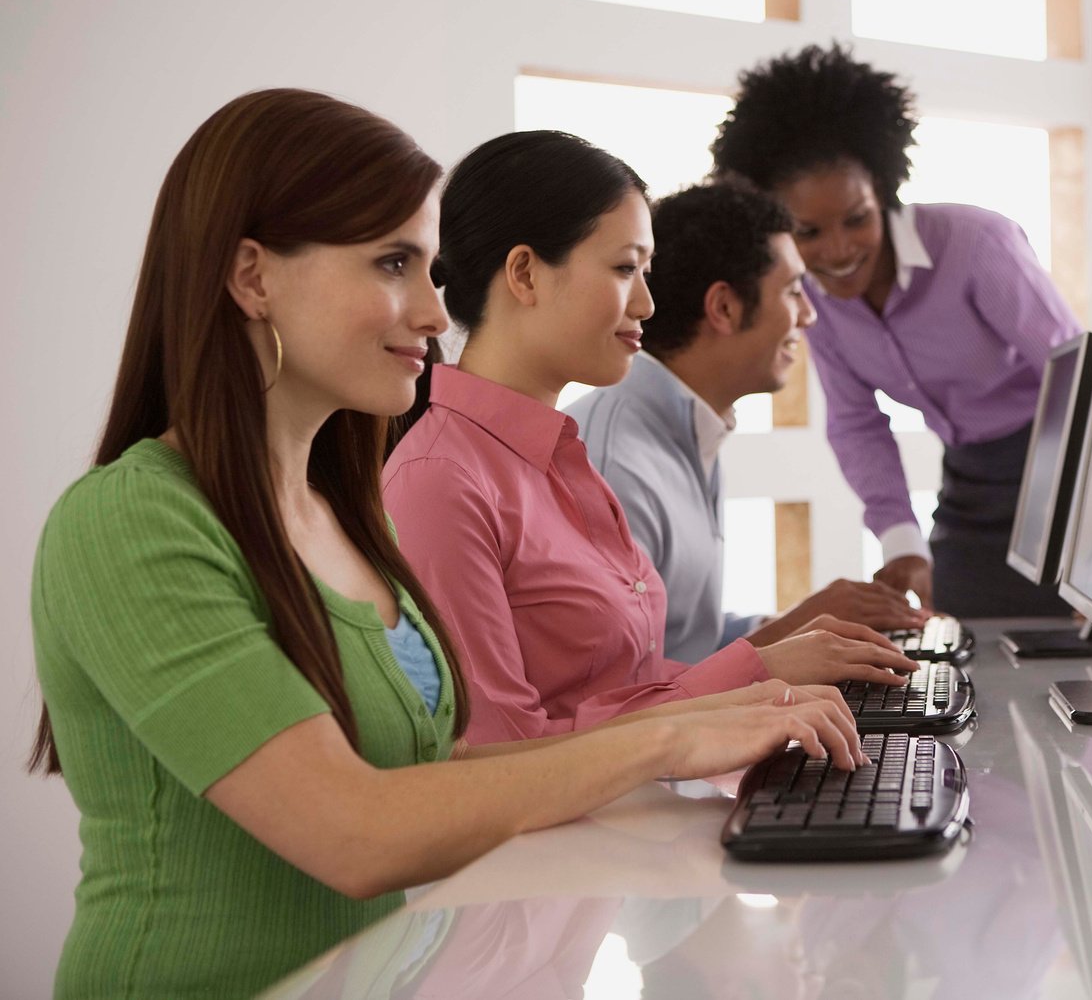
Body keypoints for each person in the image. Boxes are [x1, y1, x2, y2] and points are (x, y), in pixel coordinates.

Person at [27, 89, 864, 1000]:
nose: (435, 312)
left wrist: (715, 716)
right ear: (252, 277)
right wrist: (661, 743)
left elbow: (438, 772)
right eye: (393, 263)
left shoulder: (333, 513)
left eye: (429, 267)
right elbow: (354, 830)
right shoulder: (135, 521)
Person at [383, 131, 918, 745]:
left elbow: (628, 680)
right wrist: (761, 673)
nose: (646, 302)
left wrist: (786, 668)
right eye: (623, 268)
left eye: (646, 271)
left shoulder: (557, 456)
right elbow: (500, 752)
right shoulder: (440, 482)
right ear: (525, 274)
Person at [711, 43, 1083, 617]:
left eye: (856, 219)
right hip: (968, 481)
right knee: (963, 641)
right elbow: (857, 423)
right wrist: (901, 541)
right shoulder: (812, 297)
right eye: (809, 232)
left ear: (883, 191)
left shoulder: (977, 244)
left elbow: (1078, 373)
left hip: (1064, 463)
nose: (837, 251)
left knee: (1076, 643)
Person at [567, 182, 927, 665]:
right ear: (725, 308)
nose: (810, 314)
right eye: (794, 290)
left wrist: (813, 620)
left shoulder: (690, 429)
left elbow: (687, 639)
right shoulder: (616, 468)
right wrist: (801, 626)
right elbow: (624, 696)